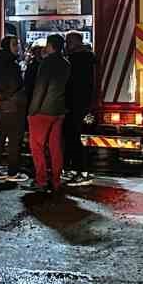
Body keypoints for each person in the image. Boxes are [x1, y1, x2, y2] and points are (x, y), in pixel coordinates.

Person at [23, 34, 71, 192]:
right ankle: (56, 181)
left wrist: (32, 111)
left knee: (37, 147)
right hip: (59, 110)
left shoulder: (46, 63)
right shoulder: (66, 63)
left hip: (43, 111)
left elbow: (40, 88)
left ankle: (41, 180)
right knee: (55, 147)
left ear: (50, 46)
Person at [0, 35, 25, 180]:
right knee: (14, 141)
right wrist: (1, 96)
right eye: (14, 44)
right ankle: (13, 173)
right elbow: (15, 85)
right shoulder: (12, 65)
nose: (17, 47)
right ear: (8, 46)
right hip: (13, 108)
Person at [62, 32, 96, 187]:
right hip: (82, 104)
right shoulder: (89, 58)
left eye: (68, 42)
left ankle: (82, 172)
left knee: (74, 139)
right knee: (74, 138)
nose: (66, 45)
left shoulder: (75, 60)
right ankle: (78, 170)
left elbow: (70, 84)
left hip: (74, 105)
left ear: (76, 43)